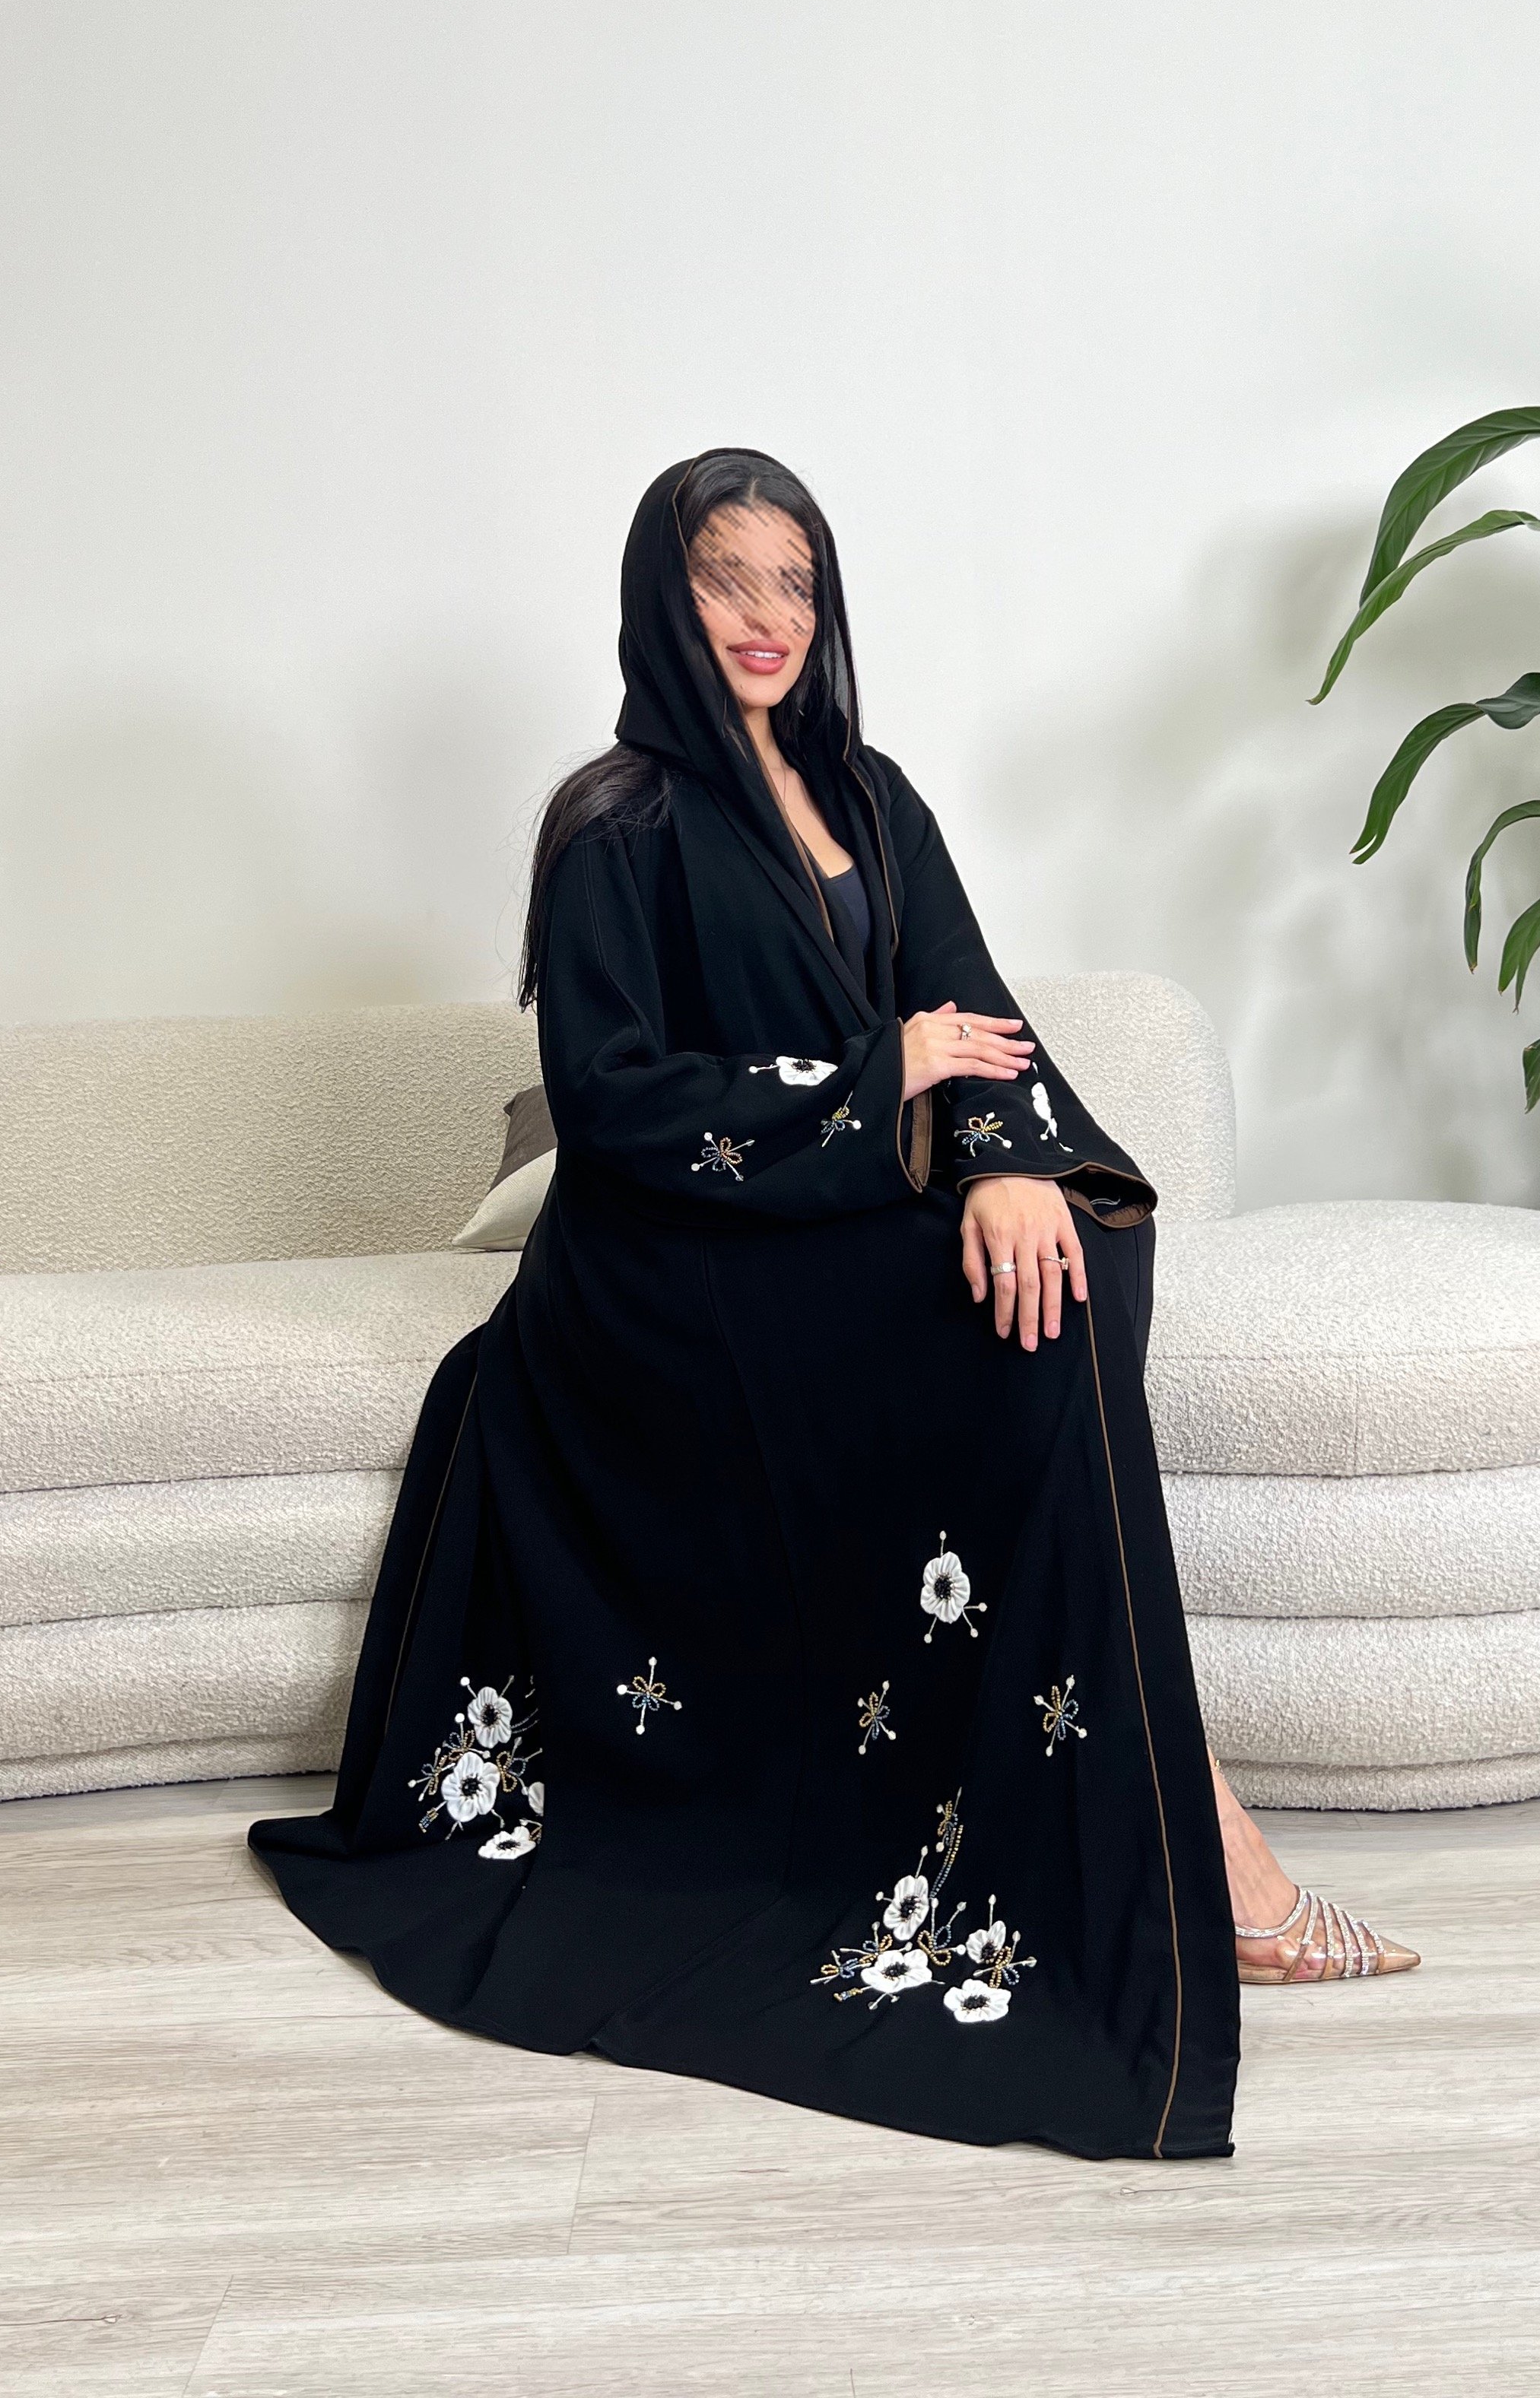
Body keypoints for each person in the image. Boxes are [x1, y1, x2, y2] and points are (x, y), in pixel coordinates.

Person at [250, 448, 1415, 2165]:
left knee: (1076, 1257)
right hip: (670, 1262)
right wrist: (882, 1080)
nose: (767, 616)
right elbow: (616, 1103)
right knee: (1011, 1335)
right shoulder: (614, 823)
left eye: (794, 582)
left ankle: (1161, 1811)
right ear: (663, 595)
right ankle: (1211, 1842)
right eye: (726, 577)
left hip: (828, 1215)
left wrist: (1005, 1162)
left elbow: (972, 1006)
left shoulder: (873, 797)